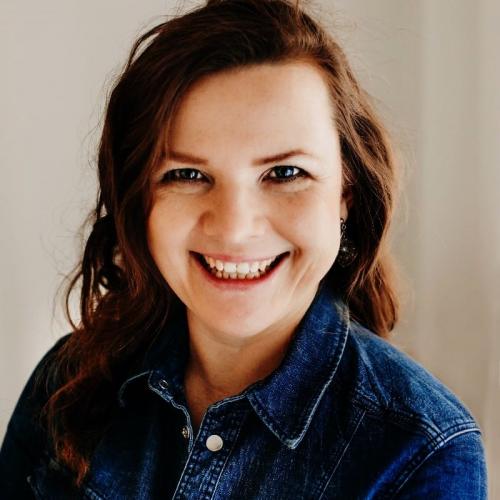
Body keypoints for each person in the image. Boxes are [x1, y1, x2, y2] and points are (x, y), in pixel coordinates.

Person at [0, 0, 488, 498]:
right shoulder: (67, 382)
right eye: (187, 174)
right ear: (139, 201)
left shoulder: (422, 450)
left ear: (346, 192)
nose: (234, 229)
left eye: (285, 173)